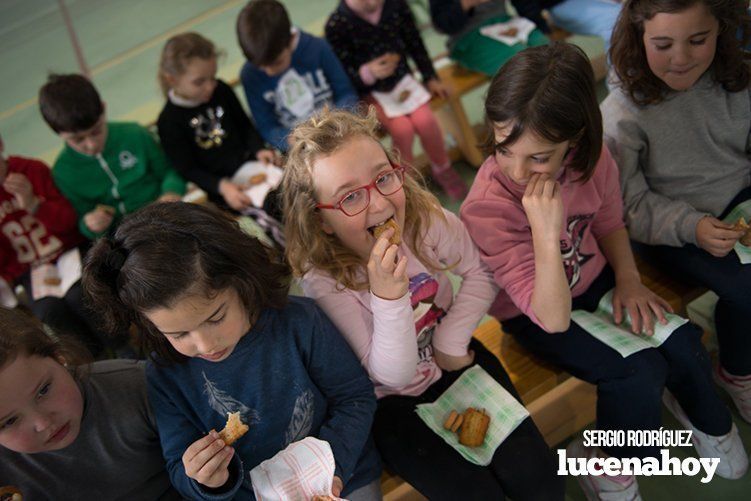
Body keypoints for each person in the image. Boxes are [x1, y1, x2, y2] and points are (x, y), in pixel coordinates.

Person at [460, 42, 747, 500]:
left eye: (539, 157)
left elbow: (610, 222)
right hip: (533, 312)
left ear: (574, 141)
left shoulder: (592, 161)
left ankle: (707, 419)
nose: (517, 171)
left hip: (594, 279)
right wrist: (544, 231)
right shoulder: (486, 209)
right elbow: (550, 318)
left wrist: (630, 280)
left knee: (681, 339)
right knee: (639, 371)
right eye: (503, 147)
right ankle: (605, 465)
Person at [282, 108, 562, 500]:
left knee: (542, 481)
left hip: (453, 355)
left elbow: (482, 270)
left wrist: (451, 338)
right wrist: (389, 295)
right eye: (349, 197)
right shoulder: (325, 281)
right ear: (322, 220)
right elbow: (392, 375)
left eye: (383, 177)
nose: (379, 205)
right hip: (390, 405)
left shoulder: (424, 221)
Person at [81, 202, 381, 500]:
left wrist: (333, 470)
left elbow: (354, 399)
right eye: (179, 334)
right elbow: (178, 467)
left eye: (216, 318)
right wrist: (206, 479)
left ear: (241, 281)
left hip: (343, 475)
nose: (206, 345)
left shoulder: (299, 322)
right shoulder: (165, 374)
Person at [602, 0, 751, 426]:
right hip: (668, 230)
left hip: (736, 200)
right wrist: (692, 226)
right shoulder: (622, 114)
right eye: (663, 44)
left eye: (698, 40)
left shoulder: (738, 78)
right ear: (638, 37)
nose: (682, 58)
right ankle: (738, 370)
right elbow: (627, 207)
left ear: (721, 30)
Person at [0, 308, 178, 500]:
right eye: (9, 421)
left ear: (60, 357)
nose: (43, 423)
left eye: (43, 391)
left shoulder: (140, 387)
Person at [325, 0, 468, 201]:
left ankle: (442, 167)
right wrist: (368, 73)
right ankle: (403, 183)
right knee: (402, 130)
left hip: (404, 83)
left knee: (426, 122)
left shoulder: (397, 6)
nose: (373, 3)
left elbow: (415, 44)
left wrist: (430, 78)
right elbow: (341, 76)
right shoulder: (337, 25)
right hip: (370, 93)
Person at [157, 32, 285, 231]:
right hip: (222, 190)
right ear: (172, 80)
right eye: (199, 82)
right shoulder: (169, 121)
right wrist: (223, 187)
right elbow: (188, 168)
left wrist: (259, 149)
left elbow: (245, 126)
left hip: (253, 165)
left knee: (289, 192)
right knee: (265, 219)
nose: (210, 86)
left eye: (213, 77)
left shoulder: (222, 90)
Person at [38, 74, 186, 241]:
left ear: (103, 109)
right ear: (58, 133)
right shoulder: (63, 172)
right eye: (77, 139)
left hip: (167, 223)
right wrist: (90, 225)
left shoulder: (134, 134)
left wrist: (171, 191)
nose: (91, 144)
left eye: (96, 131)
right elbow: (80, 219)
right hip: (123, 242)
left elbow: (169, 171)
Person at [0, 134, 107, 356]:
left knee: (81, 296)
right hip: (31, 271)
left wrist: (34, 205)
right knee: (47, 310)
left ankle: (120, 344)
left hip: (68, 251)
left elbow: (69, 223)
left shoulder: (32, 170)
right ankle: (89, 358)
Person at [237, 0, 358, 152]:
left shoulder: (317, 48)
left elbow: (346, 92)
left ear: (292, 39)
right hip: (298, 150)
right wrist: (289, 140)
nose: (269, 72)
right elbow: (267, 127)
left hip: (339, 134)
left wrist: (341, 121)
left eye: (277, 62)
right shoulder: (250, 75)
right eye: (260, 66)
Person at [429, 0, 621, 76]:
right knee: (522, 66)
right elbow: (443, 23)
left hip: (505, 23)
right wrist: (468, 3)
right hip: (466, 38)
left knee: (552, 56)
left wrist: (541, 27)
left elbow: (523, 2)